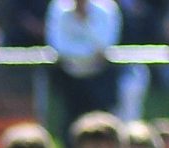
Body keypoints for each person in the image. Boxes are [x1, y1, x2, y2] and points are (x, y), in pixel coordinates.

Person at [44, 0, 121, 128]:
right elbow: (58, 46)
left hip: (99, 78)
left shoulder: (107, 7)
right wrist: (85, 53)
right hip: (69, 78)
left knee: (102, 125)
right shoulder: (59, 7)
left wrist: (85, 20)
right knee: (70, 124)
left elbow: (104, 45)